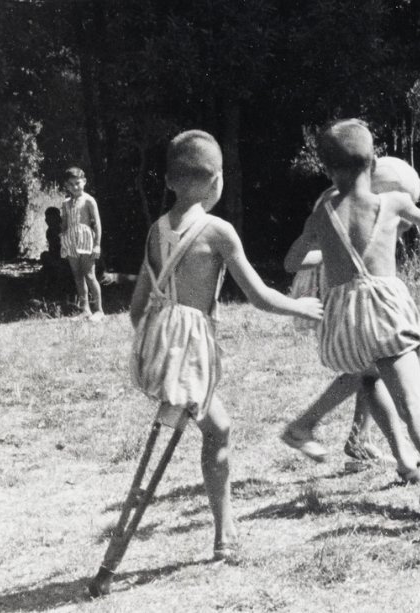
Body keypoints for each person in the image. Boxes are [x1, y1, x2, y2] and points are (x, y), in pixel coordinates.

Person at [128, 130, 323, 559]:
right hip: (192, 352)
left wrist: (156, 345)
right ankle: (224, 532)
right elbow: (257, 295)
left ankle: (225, 527)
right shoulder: (217, 231)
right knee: (219, 431)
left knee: (217, 426)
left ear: (167, 180)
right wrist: (299, 307)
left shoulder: (154, 232)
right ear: (217, 182)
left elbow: (137, 306)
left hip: (158, 351)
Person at [285, 119, 420, 513]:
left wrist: (331, 255)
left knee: (366, 374)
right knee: (413, 400)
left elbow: (293, 261)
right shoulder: (393, 202)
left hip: (344, 322)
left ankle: (306, 424)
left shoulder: (321, 214)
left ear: (328, 171)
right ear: (375, 163)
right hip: (383, 311)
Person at [281, 158, 420, 483]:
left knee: (370, 369)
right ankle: (305, 425)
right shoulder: (335, 203)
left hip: (354, 292)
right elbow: (306, 256)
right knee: (369, 367)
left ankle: (363, 441)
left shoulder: (358, 197)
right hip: (342, 293)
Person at [60, 167, 104, 321]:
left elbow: (97, 223)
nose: (75, 187)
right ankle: (85, 310)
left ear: (84, 182)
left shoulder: (88, 200)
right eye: (71, 184)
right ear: (66, 186)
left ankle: (99, 310)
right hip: (71, 241)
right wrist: (63, 241)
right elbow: (64, 224)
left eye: (77, 183)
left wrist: (97, 245)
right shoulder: (66, 203)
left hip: (86, 241)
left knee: (90, 275)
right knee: (78, 276)